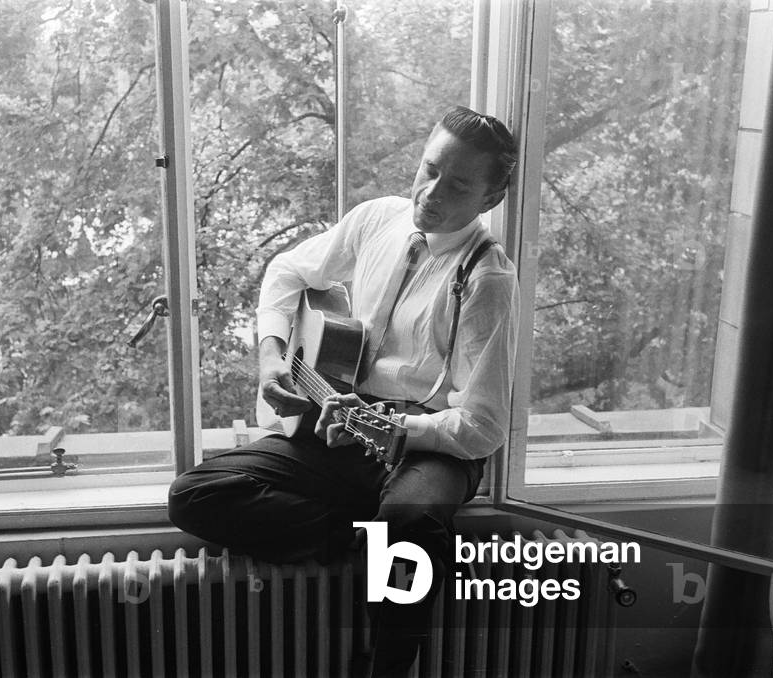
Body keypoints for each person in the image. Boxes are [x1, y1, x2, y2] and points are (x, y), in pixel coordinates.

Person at [168, 105, 520, 677]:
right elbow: (287, 271)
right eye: (429, 168)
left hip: (430, 444)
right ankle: (362, 536)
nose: (430, 191)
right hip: (340, 427)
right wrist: (270, 355)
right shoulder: (378, 219)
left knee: (410, 522)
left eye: (457, 184)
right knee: (195, 494)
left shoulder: (487, 279)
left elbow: (483, 427)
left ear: (489, 199)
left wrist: (395, 427)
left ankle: (388, 666)